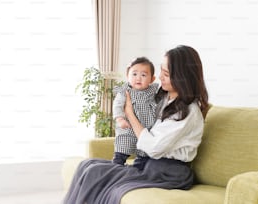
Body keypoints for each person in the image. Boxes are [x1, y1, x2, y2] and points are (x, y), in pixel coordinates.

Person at [63, 45, 209, 204]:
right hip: (149, 165)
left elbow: (153, 147)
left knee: (94, 172)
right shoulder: (163, 98)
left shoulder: (188, 112)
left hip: (168, 173)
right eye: (161, 71)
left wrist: (130, 113)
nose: (160, 77)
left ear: (182, 77)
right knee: (87, 164)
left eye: (166, 74)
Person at [112, 57, 159, 170]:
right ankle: (116, 166)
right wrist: (120, 119)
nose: (138, 78)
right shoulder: (125, 91)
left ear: (152, 79)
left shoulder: (153, 91)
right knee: (123, 147)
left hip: (146, 129)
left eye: (143, 75)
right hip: (128, 128)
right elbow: (117, 105)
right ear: (127, 76)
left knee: (144, 152)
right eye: (134, 74)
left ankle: (138, 167)